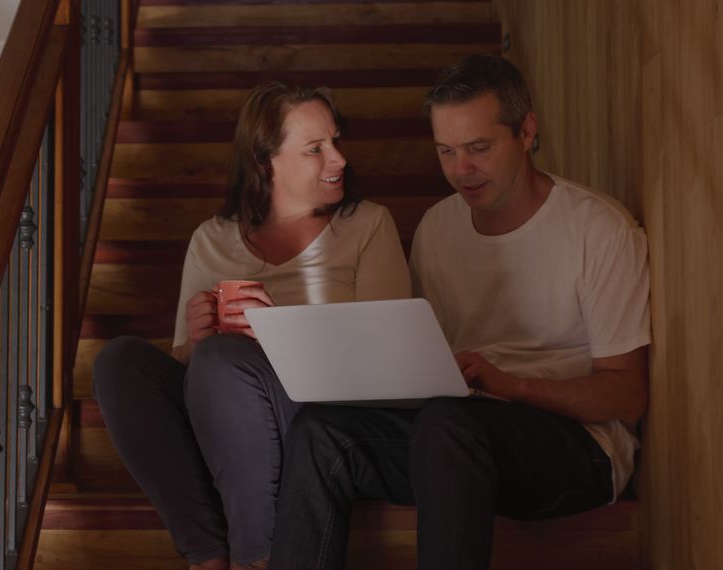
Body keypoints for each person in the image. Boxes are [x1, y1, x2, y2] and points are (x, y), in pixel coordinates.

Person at [269, 54, 651, 569]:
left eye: (478, 148)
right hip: (456, 440)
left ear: (527, 131)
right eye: (446, 151)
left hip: (579, 450)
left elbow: (626, 394)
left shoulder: (599, 229)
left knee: (449, 422)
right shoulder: (437, 228)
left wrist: (513, 386)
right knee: (319, 430)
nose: (460, 170)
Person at [93, 81, 411, 570]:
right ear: (267, 162)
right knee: (121, 360)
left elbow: (386, 361)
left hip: (315, 419)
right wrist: (197, 339)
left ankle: (254, 559)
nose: (339, 158)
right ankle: (207, 556)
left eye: (336, 140)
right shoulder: (212, 238)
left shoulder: (367, 225)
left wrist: (280, 336)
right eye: (315, 149)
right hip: (223, 417)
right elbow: (186, 370)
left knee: (226, 358)